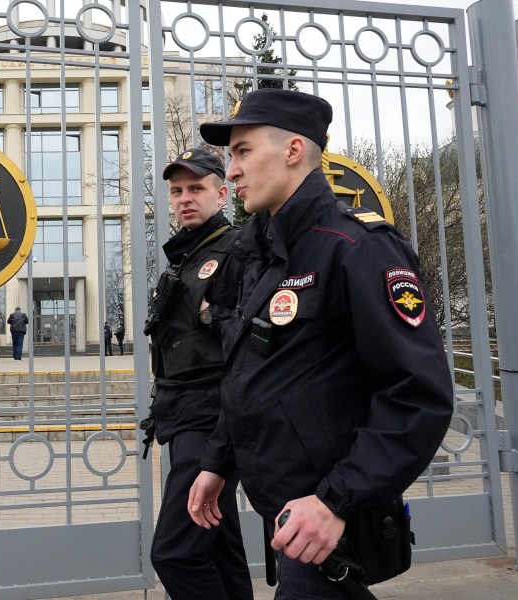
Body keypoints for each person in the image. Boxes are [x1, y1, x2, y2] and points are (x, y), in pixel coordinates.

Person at [187, 88, 454, 599]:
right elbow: (250, 371)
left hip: (329, 515)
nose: (233, 171)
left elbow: (417, 393)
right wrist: (218, 462)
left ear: (292, 151)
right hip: (290, 512)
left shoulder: (358, 249)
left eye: (243, 152)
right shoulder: (261, 253)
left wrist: (335, 501)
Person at [143, 148, 253, 600]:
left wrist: (217, 317)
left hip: (210, 417)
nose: (185, 198)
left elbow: (257, 332)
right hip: (184, 412)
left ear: (222, 193)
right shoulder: (187, 255)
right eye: (177, 191)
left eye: (196, 189)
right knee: (218, 543)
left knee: (175, 553)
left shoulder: (240, 249)